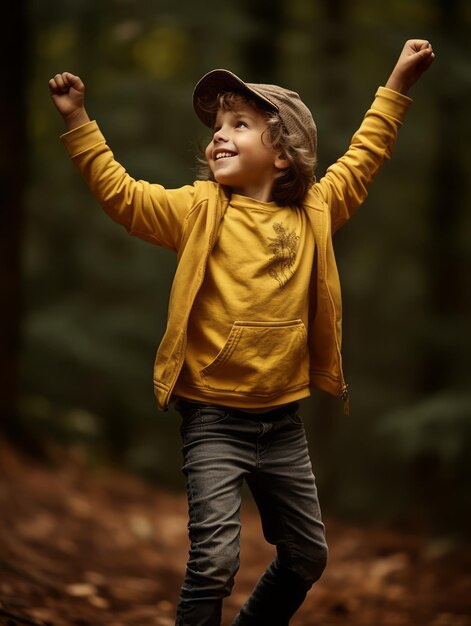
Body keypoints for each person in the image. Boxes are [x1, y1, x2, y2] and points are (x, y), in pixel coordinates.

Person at [49, 39, 435, 626]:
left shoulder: (316, 212)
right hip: (213, 420)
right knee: (214, 563)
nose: (218, 136)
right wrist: (78, 120)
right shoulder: (199, 210)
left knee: (307, 556)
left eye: (241, 124)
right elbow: (124, 197)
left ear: (284, 154)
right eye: (216, 128)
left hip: (283, 423)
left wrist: (398, 83)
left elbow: (365, 154)